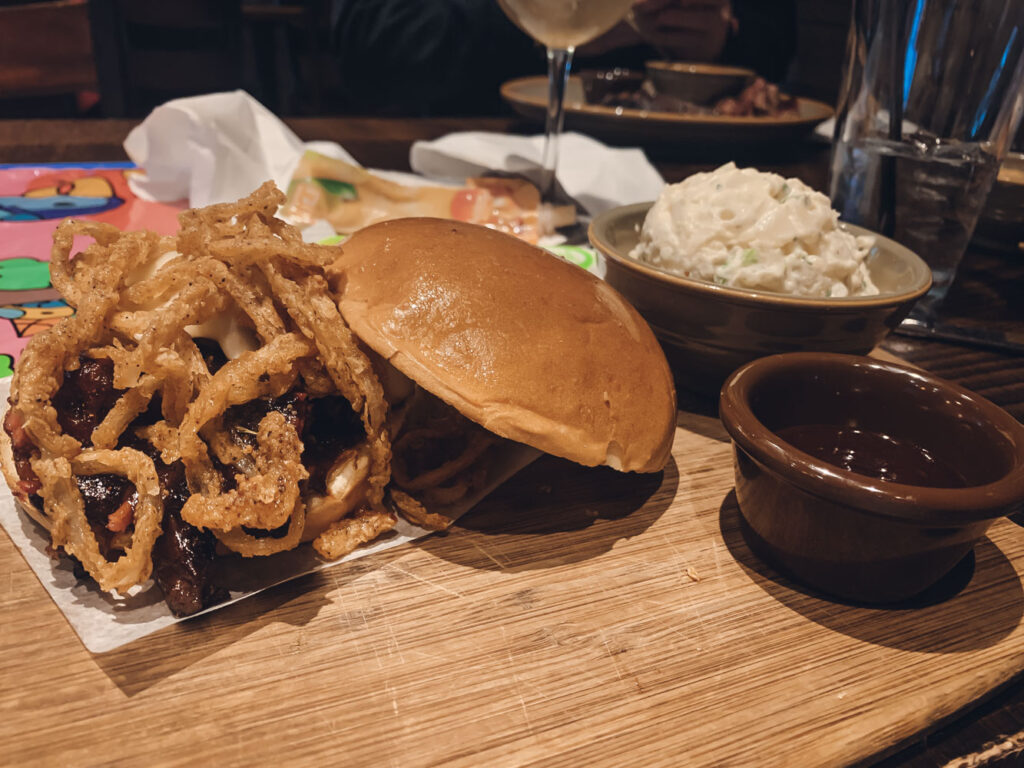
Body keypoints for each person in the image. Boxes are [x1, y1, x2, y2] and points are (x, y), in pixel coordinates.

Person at [328, 0, 796, 115]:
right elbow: (374, 45)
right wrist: (557, 21)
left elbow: (775, 38)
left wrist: (722, 40)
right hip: (472, 149)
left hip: (693, 155)